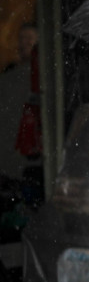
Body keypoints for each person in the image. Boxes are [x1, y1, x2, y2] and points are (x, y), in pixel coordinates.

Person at [0, 23, 38, 181]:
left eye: (29, 38)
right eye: (21, 38)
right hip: (11, 149)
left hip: (31, 153)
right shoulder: (10, 76)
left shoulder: (42, 75)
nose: (24, 43)